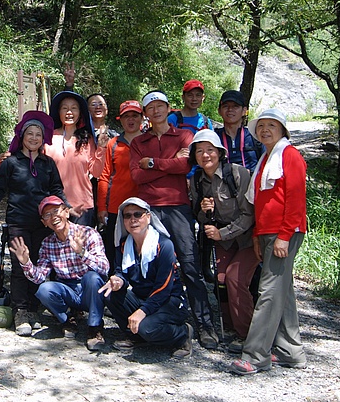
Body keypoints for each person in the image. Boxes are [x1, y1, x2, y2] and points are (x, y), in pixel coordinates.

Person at [129, 90, 218, 350]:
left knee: (190, 265)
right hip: (150, 209)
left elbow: (185, 166)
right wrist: (167, 164)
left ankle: (204, 324)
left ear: (169, 108)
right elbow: (136, 177)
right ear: (145, 113)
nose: (156, 111)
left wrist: (153, 164)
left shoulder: (184, 135)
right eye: (150, 107)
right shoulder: (139, 142)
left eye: (160, 106)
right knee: (152, 265)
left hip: (178, 207)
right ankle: (154, 318)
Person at [230, 108, 308, 375]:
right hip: (266, 233)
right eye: (260, 126)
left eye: (271, 126)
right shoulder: (266, 158)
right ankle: (290, 351)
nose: (264, 130)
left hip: (283, 232)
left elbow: (296, 200)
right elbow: (260, 204)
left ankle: (256, 355)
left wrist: (284, 236)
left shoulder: (290, 156)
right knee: (282, 291)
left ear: (282, 130)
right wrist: (256, 236)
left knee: (269, 291)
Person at [0, 110, 67, 336]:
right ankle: (20, 311)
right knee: (19, 266)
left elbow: (56, 188)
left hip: (43, 223)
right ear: (22, 135)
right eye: (30, 133)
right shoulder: (11, 162)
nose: (34, 138)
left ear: (43, 137)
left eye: (38, 134)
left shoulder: (48, 163)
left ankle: (34, 309)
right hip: (18, 221)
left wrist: (64, 207)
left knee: (38, 265)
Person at [188, 129, 256, 356]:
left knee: (236, 278)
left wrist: (222, 233)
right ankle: (229, 325)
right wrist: (203, 211)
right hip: (224, 241)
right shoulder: (197, 180)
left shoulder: (238, 174)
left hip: (247, 239)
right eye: (200, 151)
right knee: (220, 279)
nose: (205, 155)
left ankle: (247, 333)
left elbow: (249, 215)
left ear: (220, 152)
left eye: (210, 150)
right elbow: (199, 217)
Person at [10, 196, 109, 351]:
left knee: (93, 277)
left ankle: (95, 328)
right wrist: (25, 262)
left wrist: (82, 252)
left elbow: (104, 268)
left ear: (67, 212)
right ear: (44, 222)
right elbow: (39, 277)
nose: (53, 217)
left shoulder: (88, 233)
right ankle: (67, 320)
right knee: (44, 289)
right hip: (68, 290)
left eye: (56, 211)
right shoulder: (48, 243)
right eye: (47, 215)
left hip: (90, 290)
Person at [98, 197, 193, 358]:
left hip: (169, 301)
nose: (132, 219)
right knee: (109, 293)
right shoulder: (124, 245)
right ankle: (135, 336)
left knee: (147, 328)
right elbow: (122, 271)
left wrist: (142, 311)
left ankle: (182, 334)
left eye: (138, 214)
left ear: (148, 217)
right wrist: (118, 280)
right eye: (127, 216)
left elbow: (164, 288)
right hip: (143, 297)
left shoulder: (164, 245)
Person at [44, 91, 104, 227]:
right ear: (58, 112)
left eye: (74, 108)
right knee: (56, 247)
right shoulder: (48, 138)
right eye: (64, 108)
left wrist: (102, 148)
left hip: (82, 204)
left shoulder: (87, 139)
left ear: (80, 113)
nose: (69, 112)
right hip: (54, 205)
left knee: (80, 247)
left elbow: (96, 172)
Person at [97, 100, 143, 274]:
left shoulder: (149, 141)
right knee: (114, 248)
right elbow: (104, 176)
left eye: (134, 116)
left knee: (142, 247)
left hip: (142, 206)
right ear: (120, 120)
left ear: (141, 118)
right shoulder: (113, 144)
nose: (131, 120)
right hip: (116, 207)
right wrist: (102, 207)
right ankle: (114, 286)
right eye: (126, 117)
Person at [214, 90, 264, 172]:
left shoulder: (254, 136)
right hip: (222, 182)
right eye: (226, 106)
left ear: (244, 111)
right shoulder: (214, 137)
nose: (230, 109)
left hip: (251, 182)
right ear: (219, 111)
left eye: (235, 106)